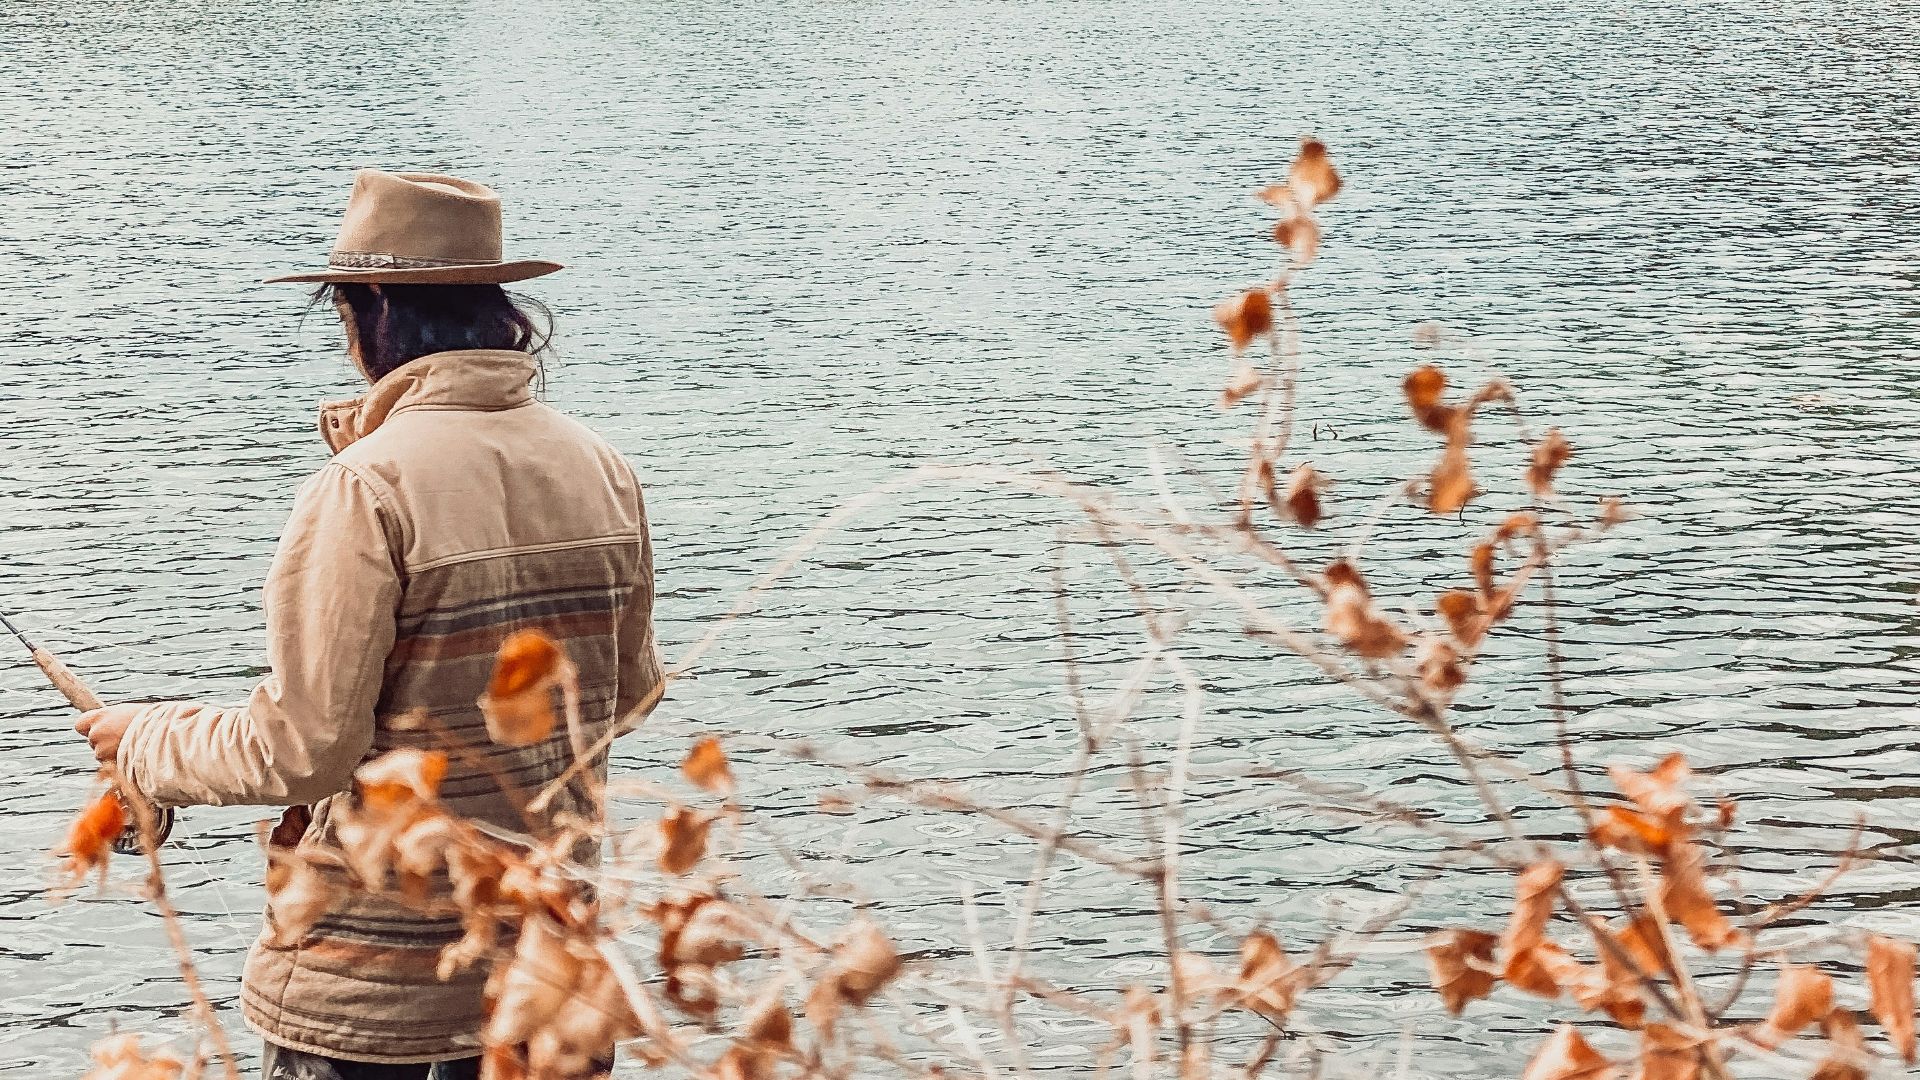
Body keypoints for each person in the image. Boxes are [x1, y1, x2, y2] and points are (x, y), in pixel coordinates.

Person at [75, 170, 665, 1080]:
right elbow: (624, 698)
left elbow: (303, 752)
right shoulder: (602, 467)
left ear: (372, 308)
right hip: (547, 974)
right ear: (498, 307)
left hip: (369, 998)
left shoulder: (364, 489)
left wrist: (146, 741)